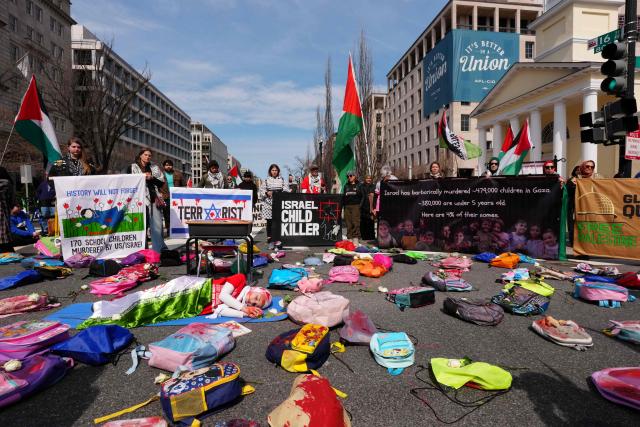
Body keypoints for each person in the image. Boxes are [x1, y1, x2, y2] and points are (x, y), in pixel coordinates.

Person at [129, 148, 167, 253]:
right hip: (139, 200)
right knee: (142, 226)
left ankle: (158, 250)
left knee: (157, 226)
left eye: (149, 155)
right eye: (145, 155)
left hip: (154, 199)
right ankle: (142, 250)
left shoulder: (154, 167)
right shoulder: (133, 167)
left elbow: (161, 182)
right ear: (140, 155)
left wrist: (151, 178)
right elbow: (129, 181)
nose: (148, 157)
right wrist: (142, 177)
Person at [205, 273, 273, 318]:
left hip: (198, 308)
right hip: (199, 289)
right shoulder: (240, 278)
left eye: (255, 305)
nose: (252, 302)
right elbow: (223, 296)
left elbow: (220, 310)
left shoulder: (239, 306)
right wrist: (244, 308)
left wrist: (247, 314)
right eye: (256, 298)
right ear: (254, 289)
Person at [259, 163, 290, 249]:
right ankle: (270, 241)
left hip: (279, 204)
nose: (274, 172)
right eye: (273, 170)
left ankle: (278, 240)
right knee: (269, 223)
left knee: (278, 223)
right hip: (268, 205)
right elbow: (261, 191)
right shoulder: (266, 180)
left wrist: (280, 193)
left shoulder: (283, 180)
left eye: (276, 170)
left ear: (278, 171)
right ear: (270, 171)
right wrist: (266, 193)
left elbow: (287, 190)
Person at [159, 159, 185, 236]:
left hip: (176, 197)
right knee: (167, 215)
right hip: (165, 197)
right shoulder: (160, 175)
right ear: (164, 166)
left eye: (170, 165)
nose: (168, 167)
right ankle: (169, 230)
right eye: (166, 165)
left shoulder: (178, 174)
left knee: (177, 214)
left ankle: (178, 229)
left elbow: (183, 185)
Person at [342, 171, 363, 245]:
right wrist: (343, 206)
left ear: (354, 176)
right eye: (348, 176)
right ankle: (349, 239)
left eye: (351, 176)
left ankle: (355, 239)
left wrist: (360, 206)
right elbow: (344, 197)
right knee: (348, 223)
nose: (349, 177)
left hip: (356, 206)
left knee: (355, 222)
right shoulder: (346, 186)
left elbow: (363, 196)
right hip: (347, 206)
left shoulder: (359, 185)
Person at [0, 166, 15, 252]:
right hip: (3, 211)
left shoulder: (5, 183)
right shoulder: (7, 183)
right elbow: (11, 199)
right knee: (4, 232)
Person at [360, 175, 376, 241]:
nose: (368, 179)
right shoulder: (361, 186)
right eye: (367, 178)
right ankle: (363, 236)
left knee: (371, 222)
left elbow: (375, 197)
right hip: (363, 206)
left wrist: (374, 207)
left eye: (369, 178)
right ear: (365, 179)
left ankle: (371, 236)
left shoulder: (373, 186)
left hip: (371, 207)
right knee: (363, 222)